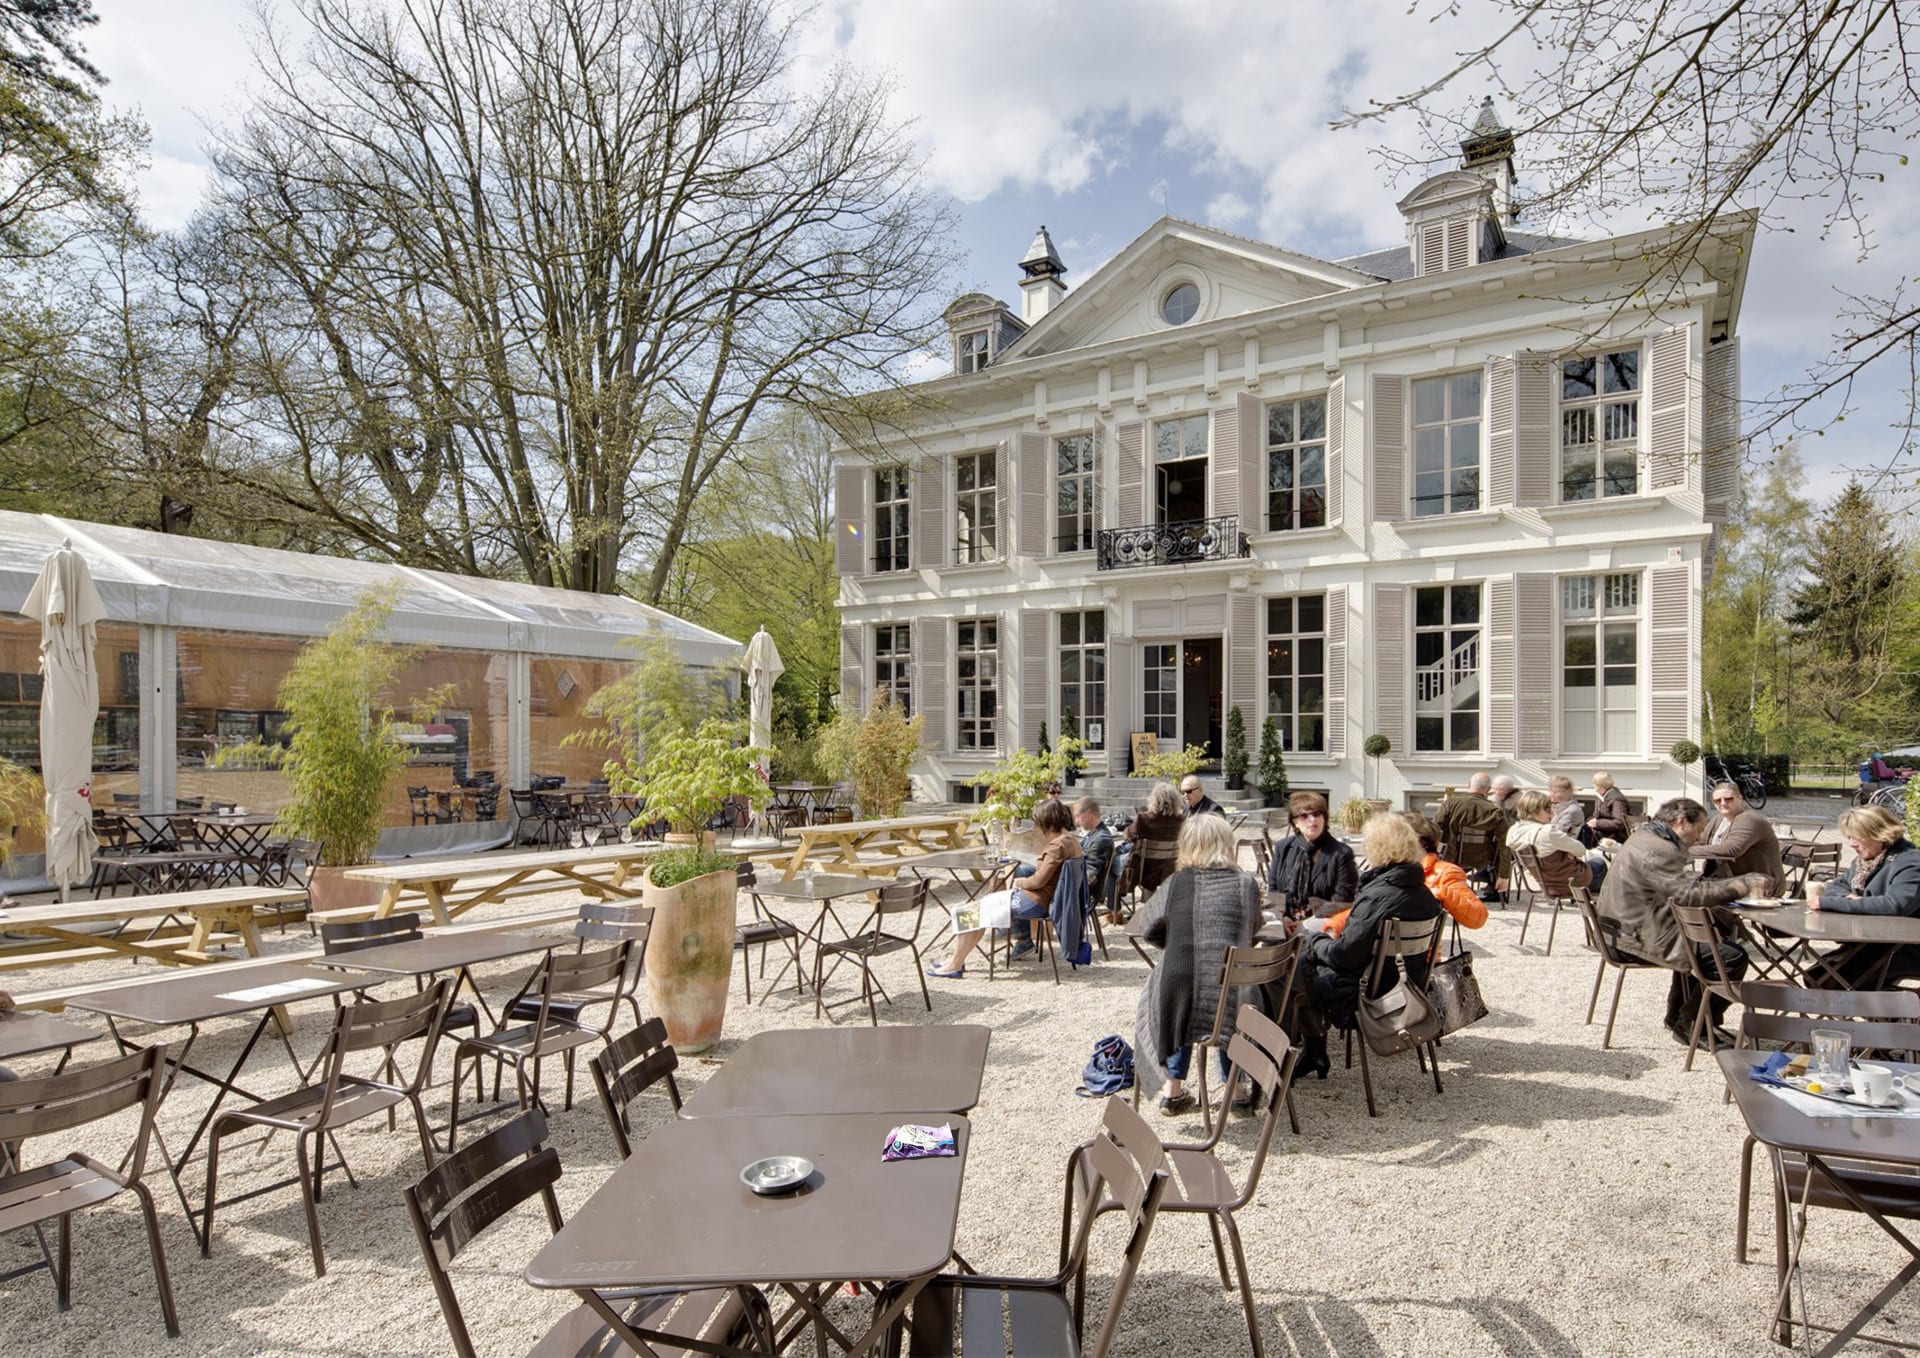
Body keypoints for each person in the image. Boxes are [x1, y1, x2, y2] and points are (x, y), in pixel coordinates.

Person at [1595, 798, 1771, 1046]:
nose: (1699, 838)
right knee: (1730, 956)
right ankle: (1692, 1025)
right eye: (1698, 830)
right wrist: (1740, 885)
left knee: (1699, 943)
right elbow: (1687, 895)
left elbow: (1677, 887)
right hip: (1632, 938)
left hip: (1619, 930)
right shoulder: (1659, 848)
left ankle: (1678, 1017)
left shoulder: (1643, 837)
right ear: (1680, 822)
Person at [1290, 813, 1442, 1079]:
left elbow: (1344, 957)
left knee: (1298, 968)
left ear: (1377, 848)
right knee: (1306, 961)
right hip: (1409, 987)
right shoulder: (1424, 892)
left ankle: (1312, 1049)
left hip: (1370, 995)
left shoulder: (1379, 895)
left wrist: (1316, 941)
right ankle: (1313, 1051)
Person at [1131, 814, 1261, 1114]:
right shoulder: (1245, 883)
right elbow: (1250, 930)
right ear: (1227, 844)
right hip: (1229, 991)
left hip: (1180, 991)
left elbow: (1148, 927)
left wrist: (1177, 942)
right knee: (1235, 988)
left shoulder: (1176, 882)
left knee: (1174, 982)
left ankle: (1172, 1090)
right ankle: (1237, 1090)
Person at [931, 798, 1081, 976]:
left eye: (1038, 823)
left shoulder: (1057, 846)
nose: (1036, 828)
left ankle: (955, 965)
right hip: (1046, 900)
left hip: (1035, 901)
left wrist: (1020, 882)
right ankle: (956, 961)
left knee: (972, 911)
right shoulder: (1072, 842)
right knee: (978, 908)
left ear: (1046, 822)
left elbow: (1038, 881)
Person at [1812, 805, 1920, 987]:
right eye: (1849, 837)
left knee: (1830, 980)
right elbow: (1837, 885)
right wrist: (1851, 900)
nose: (1852, 844)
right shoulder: (1865, 860)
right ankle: (1892, 1013)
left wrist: (1829, 903)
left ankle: (1900, 1013)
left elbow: (1895, 905)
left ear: (1879, 833)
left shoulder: (1909, 862)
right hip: (1869, 943)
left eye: (1857, 837)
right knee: (1816, 975)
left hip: (1903, 948)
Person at [1265, 791, 1358, 911]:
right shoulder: (1283, 847)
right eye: (1304, 816)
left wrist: (1305, 923)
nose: (1312, 819)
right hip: (1285, 919)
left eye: (1317, 814)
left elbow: (1343, 901)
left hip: (1322, 922)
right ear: (1295, 822)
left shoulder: (1341, 853)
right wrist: (1284, 918)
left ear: (1324, 818)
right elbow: (1273, 891)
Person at [1689, 782, 1785, 894]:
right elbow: (1699, 840)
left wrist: (1685, 851)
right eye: (1717, 801)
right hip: (1730, 883)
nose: (1723, 803)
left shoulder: (1749, 819)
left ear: (1740, 798)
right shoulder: (1719, 819)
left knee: (1687, 898)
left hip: (1759, 888)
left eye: (1729, 799)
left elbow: (1731, 850)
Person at [1507, 790, 1608, 895]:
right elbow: (1581, 850)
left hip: (1545, 883)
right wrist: (1566, 852)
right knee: (1600, 862)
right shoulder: (1546, 832)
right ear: (1534, 810)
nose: (1552, 812)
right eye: (1547, 808)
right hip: (1571, 883)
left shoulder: (1513, 831)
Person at [1433, 772, 1508, 899]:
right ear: (1489, 790)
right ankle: (1492, 886)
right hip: (1481, 860)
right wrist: (1504, 875)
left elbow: (1434, 828)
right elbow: (1505, 844)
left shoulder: (1450, 804)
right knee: (1499, 846)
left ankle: (1451, 885)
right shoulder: (1495, 812)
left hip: (1452, 856)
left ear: (1468, 785)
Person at [1122, 782, 1186, 898]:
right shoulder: (1181, 820)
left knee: (1116, 860)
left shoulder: (1144, 818)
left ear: (1153, 800)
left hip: (1145, 871)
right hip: (1172, 870)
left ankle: (1116, 908)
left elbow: (1128, 836)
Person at [1074, 796, 1115, 903]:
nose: (1076, 821)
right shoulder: (1093, 835)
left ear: (1088, 814)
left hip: (1084, 894)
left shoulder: (1101, 839)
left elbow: (1089, 875)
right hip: (1080, 886)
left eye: (1078, 816)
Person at [1587, 772, 1631, 845]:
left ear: (1600, 785)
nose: (1593, 786)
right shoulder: (1602, 798)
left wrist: (1598, 823)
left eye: (1594, 783)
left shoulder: (1617, 799)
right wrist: (1591, 820)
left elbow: (1619, 822)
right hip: (1604, 834)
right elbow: (1596, 815)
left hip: (1615, 838)